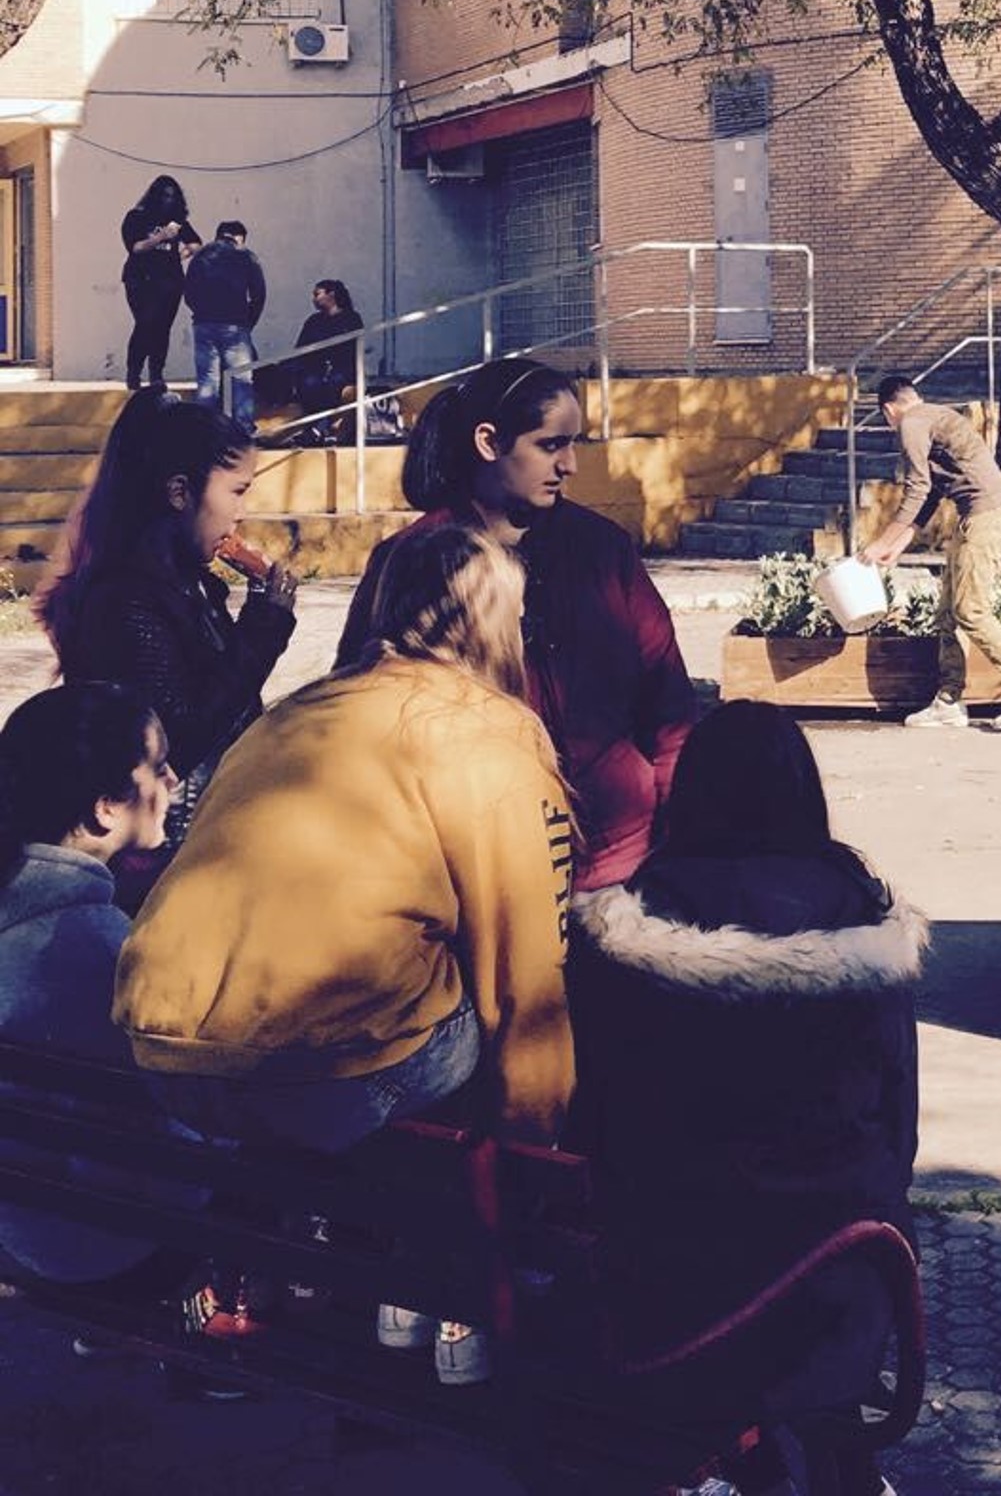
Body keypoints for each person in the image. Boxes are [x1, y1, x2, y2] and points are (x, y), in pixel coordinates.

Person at [114, 524, 577, 1381]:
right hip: (327, 1074)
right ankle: (433, 1295)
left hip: (165, 1052)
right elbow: (528, 977)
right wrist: (532, 1161)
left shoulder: (302, 710)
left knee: (395, 988)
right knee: (474, 1013)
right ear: (494, 624)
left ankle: (316, 1278)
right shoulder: (492, 734)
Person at [568, 701, 921, 1490]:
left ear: (689, 795)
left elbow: (596, 1115)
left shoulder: (631, 921)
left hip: (673, 1286)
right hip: (839, 1281)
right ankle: (839, 1464)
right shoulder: (862, 915)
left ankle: (746, 1465)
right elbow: (898, 1124)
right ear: (804, 794)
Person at [335, 358, 696, 892]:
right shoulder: (411, 558)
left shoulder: (603, 549)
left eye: (574, 443)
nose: (570, 464)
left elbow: (670, 708)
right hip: (478, 872)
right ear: (488, 442)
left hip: (622, 867)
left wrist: (673, 837)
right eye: (550, 445)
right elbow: (359, 714)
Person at [34, 390, 298, 891]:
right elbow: (182, 732)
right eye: (236, 492)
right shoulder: (126, 598)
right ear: (180, 493)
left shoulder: (190, 583)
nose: (241, 513)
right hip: (164, 859)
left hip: (211, 837)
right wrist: (264, 625)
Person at [0, 683, 179, 1284]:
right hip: (94, 1244)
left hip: (17, 1226)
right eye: (159, 765)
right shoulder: (104, 950)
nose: (173, 780)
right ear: (105, 808)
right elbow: (176, 1132)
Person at [858, 375, 1001, 732]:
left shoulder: (911, 423)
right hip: (979, 516)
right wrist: (899, 545)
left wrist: (881, 542)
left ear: (888, 410)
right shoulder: (935, 415)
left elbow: (916, 488)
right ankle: (948, 702)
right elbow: (932, 493)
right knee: (948, 612)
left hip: (986, 517)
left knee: (970, 609)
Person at [119, 175, 201, 392]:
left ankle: (156, 373)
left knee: (163, 328)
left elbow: (196, 243)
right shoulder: (136, 217)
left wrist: (182, 254)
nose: (168, 200)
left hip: (170, 281)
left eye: (173, 197)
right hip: (141, 279)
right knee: (145, 323)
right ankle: (134, 371)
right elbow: (135, 247)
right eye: (164, 196)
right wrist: (161, 236)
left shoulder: (177, 221)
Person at [183, 219, 267, 432]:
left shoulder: (201, 256)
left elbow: (189, 292)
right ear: (239, 238)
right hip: (235, 325)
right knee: (241, 378)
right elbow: (259, 294)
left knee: (207, 380)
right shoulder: (246, 256)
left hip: (203, 324)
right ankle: (243, 429)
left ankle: (205, 430)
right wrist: (248, 322)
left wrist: (201, 313)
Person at [289, 279, 366, 417]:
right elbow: (301, 347)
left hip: (342, 368)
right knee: (309, 383)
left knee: (336, 382)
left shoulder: (351, 318)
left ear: (331, 294)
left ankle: (328, 422)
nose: (314, 299)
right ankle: (315, 422)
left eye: (317, 294)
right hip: (315, 368)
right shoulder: (313, 320)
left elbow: (353, 347)